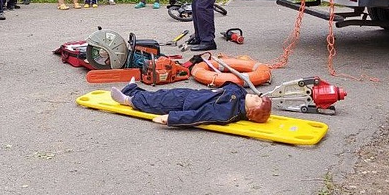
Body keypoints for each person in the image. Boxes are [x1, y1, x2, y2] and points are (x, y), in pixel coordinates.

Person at [110, 81, 272, 126]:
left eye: (257, 100)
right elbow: (233, 86)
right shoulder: (241, 96)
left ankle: (128, 100)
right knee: (160, 94)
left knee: (156, 102)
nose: (255, 95)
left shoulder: (227, 112)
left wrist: (171, 118)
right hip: (190, 95)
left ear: (251, 113)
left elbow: (199, 116)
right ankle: (132, 89)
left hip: (185, 105)